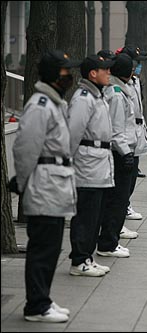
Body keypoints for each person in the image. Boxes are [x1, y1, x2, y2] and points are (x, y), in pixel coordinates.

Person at [12, 49, 81, 322]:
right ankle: (35, 306)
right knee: (43, 248)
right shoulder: (41, 105)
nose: (69, 77)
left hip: (54, 186)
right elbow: (26, 148)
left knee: (52, 247)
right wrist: (23, 181)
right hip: (43, 185)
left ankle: (43, 299)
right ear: (54, 76)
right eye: (65, 72)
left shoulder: (54, 103)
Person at [67, 55, 115, 278]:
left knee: (94, 214)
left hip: (99, 162)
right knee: (86, 214)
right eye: (105, 70)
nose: (108, 73)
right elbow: (73, 133)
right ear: (92, 73)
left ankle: (87, 256)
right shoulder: (84, 98)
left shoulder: (98, 96)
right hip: (87, 164)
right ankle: (79, 259)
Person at [96, 53, 136, 258]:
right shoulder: (118, 94)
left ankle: (108, 240)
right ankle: (108, 243)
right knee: (118, 200)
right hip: (119, 153)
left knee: (114, 199)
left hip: (115, 152)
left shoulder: (114, 90)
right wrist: (127, 153)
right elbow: (117, 130)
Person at [118, 45, 147, 225]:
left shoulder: (136, 81)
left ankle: (125, 204)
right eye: (136, 63)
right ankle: (122, 208)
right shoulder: (119, 86)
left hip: (137, 130)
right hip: (126, 133)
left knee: (132, 175)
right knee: (125, 176)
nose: (138, 67)